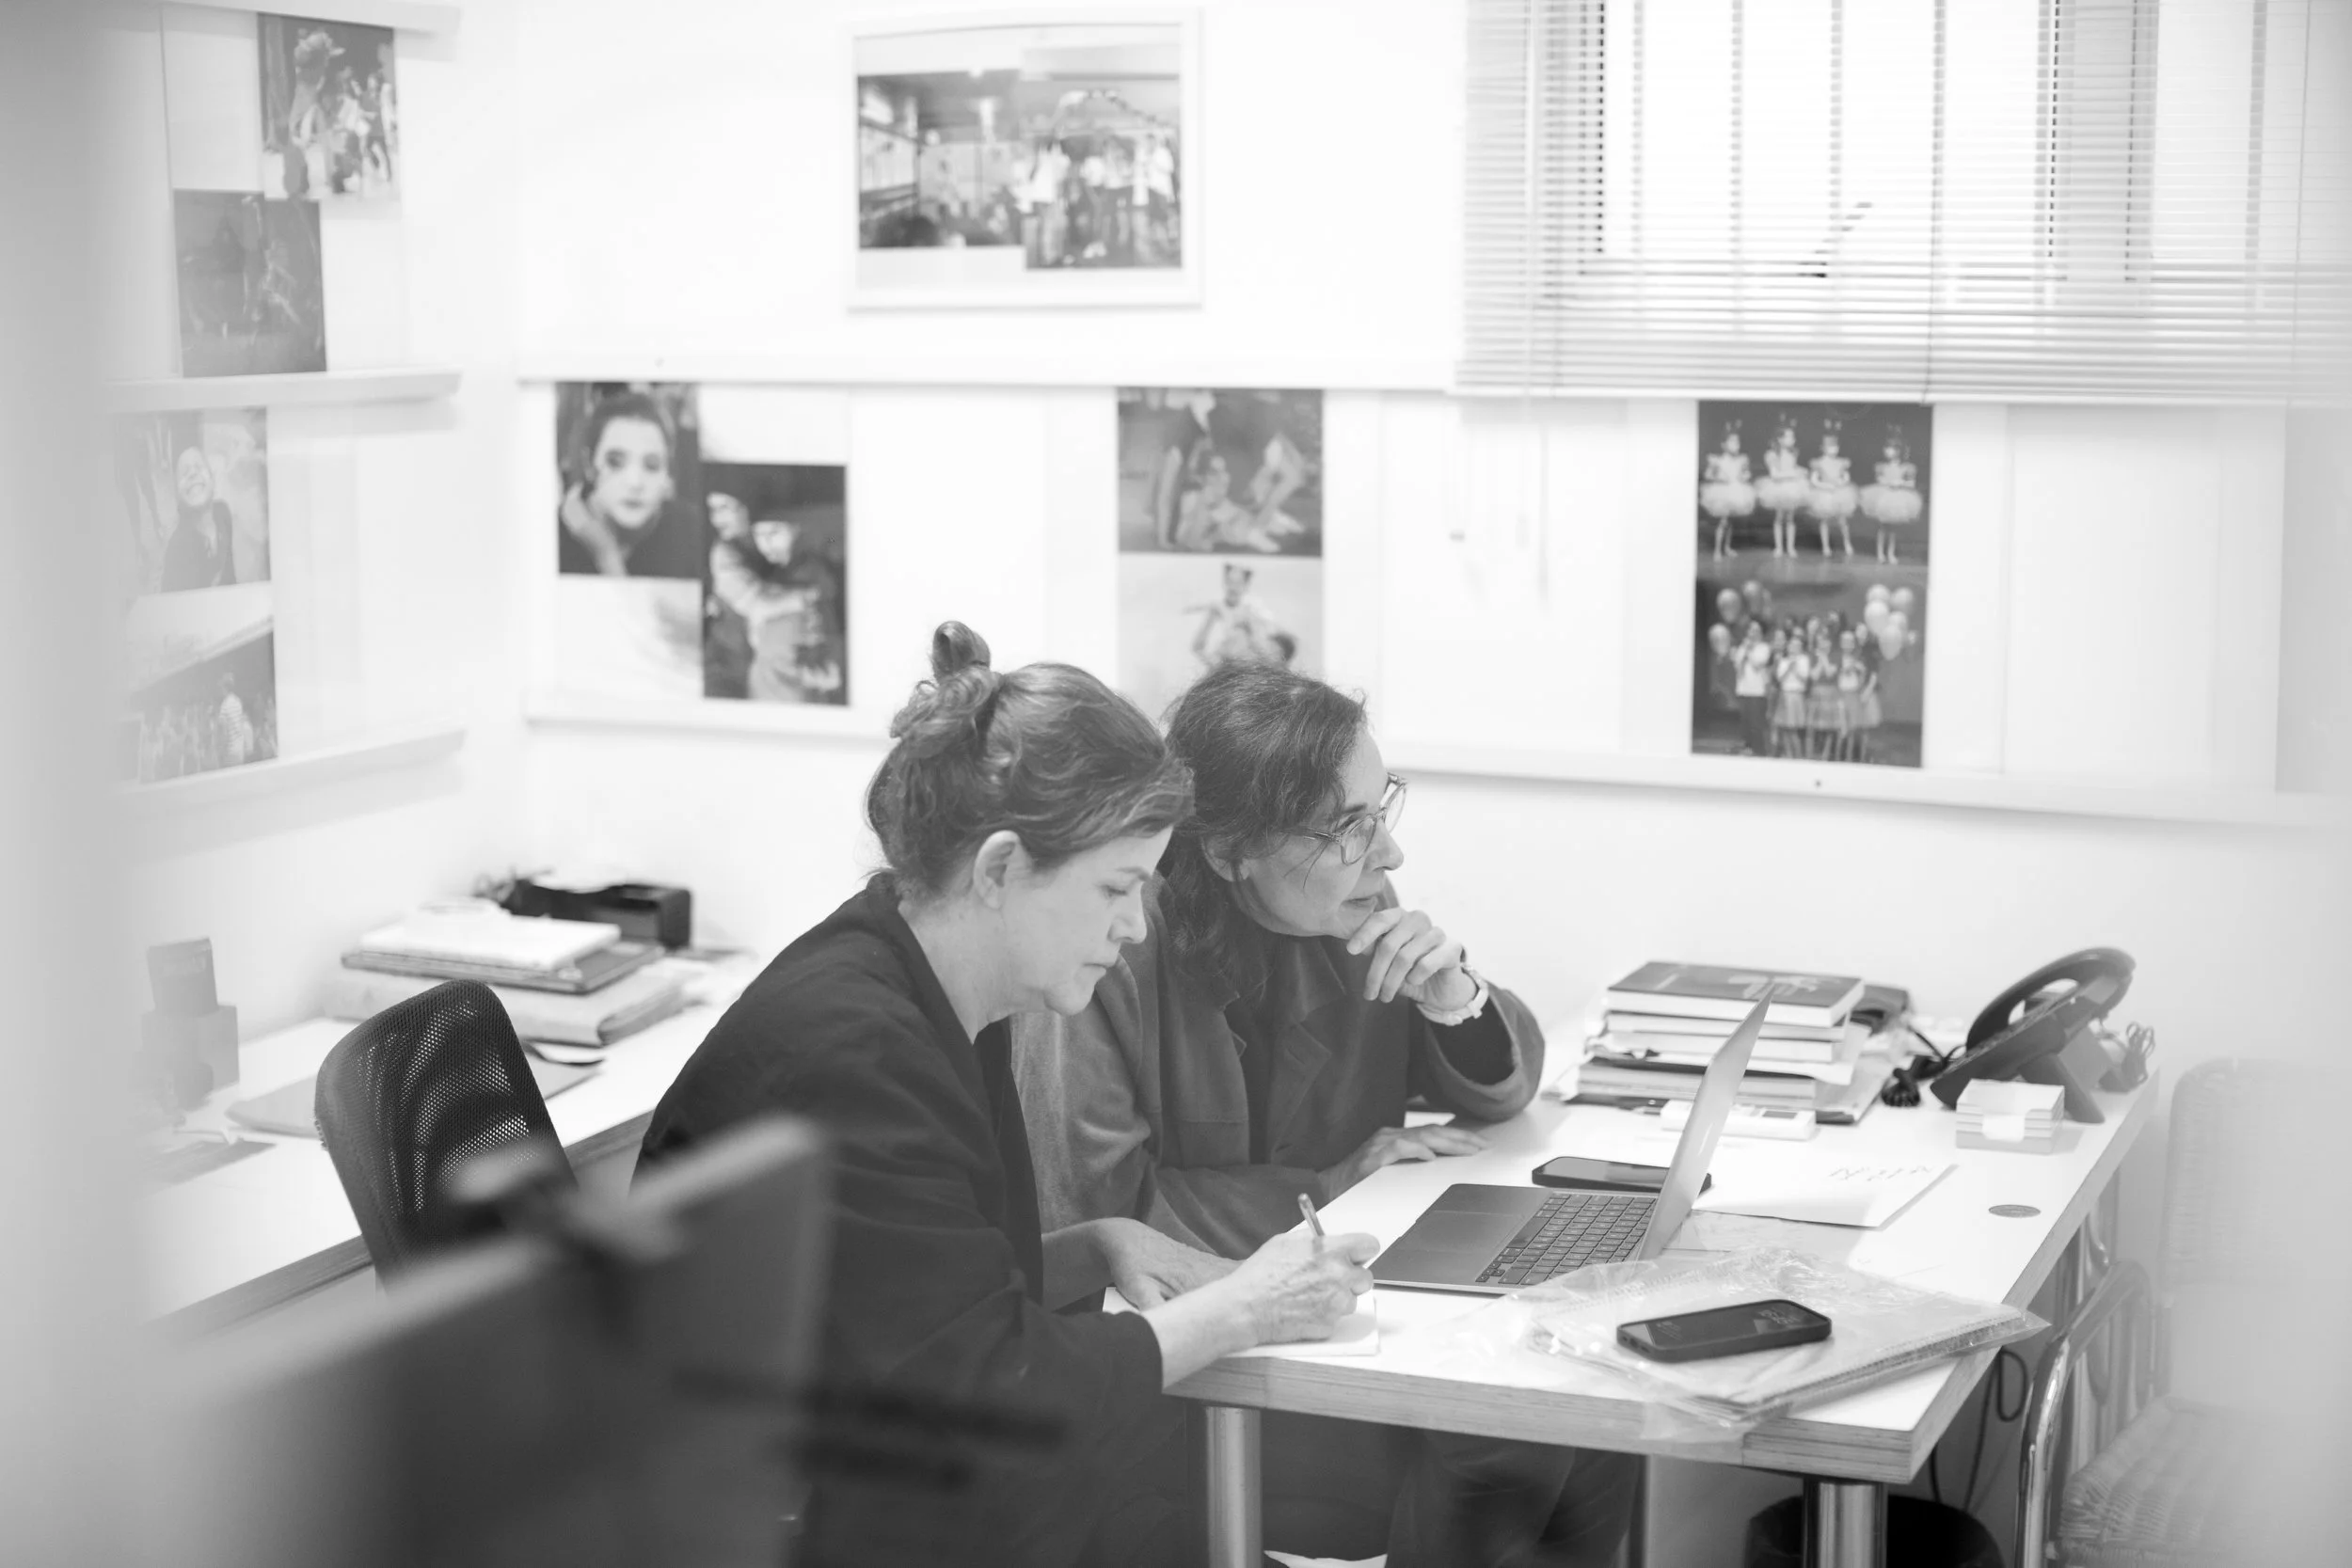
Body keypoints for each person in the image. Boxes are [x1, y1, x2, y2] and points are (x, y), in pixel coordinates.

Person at [637, 624, 1378, 1568]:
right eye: (1115, 886)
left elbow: (923, 1292)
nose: (1130, 925)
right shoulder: (861, 1051)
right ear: (996, 870)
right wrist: (1243, 1309)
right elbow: (991, 1390)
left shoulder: (928, 973)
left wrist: (1093, 1245)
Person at [1015, 661, 1638, 1565]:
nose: (1387, 855)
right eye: (1347, 827)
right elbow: (1096, 1208)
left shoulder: (1351, 903)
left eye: (1377, 810)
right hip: (1189, 1372)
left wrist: (1452, 995)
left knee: (1593, 1417)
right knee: (1509, 1437)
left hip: (1345, 1318)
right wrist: (1328, 1189)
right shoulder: (1110, 945)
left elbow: (1504, 1091)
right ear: (1227, 850)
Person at [556, 390, 700, 578]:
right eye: (615, 462)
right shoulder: (550, 535)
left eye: (652, 465)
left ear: (668, 473)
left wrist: (607, 556)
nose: (635, 483)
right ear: (589, 465)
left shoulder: (691, 530)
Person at [160, 441, 238, 592]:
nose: (192, 473)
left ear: (213, 479)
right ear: (177, 494)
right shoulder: (177, 549)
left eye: (199, 467)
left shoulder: (223, 513)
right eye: (184, 472)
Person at [1699, 423, 1757, 559]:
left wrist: (1744, 476)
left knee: (1729, 522)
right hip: (1722, 491)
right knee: (1722, 522)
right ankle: (1717, 550)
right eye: (1732, 442)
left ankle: (1727, 547)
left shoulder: (1741, 459)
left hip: (1736, 490)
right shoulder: (1717, 460)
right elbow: (1708, 474)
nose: (1736, 445)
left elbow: (1746, 473)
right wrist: (1719, 477)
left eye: (1738, 442)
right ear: (1724, 445)